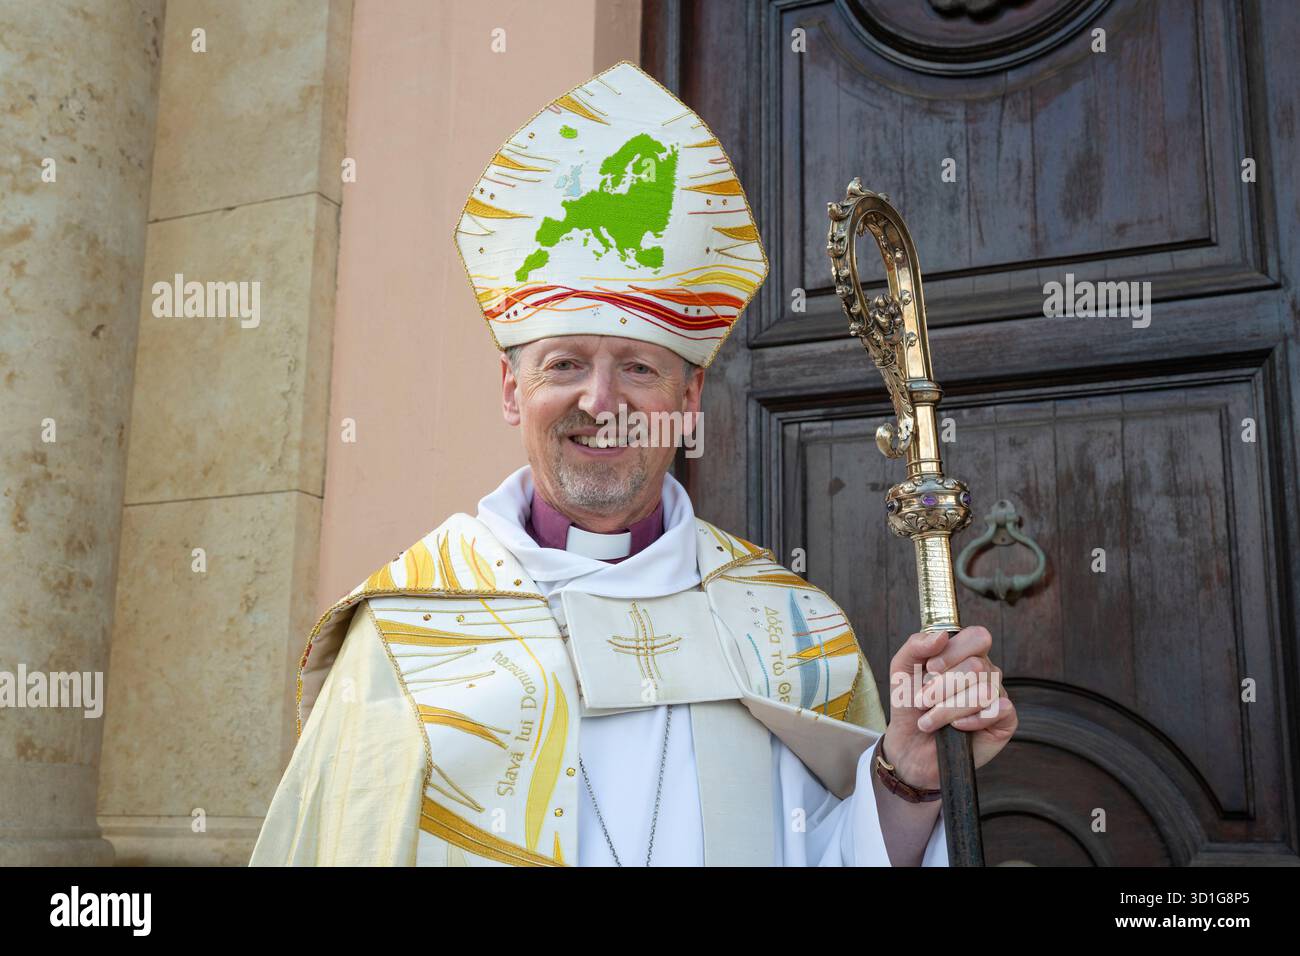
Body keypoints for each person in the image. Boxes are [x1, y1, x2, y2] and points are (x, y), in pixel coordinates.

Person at [250, 60, 1016, 867]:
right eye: (564, 365)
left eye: (639, 369)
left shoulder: (792, 631)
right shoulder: (405, 636)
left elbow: (834, 856)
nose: (601, 401)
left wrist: (907, 779)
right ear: (512, 390)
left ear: (689, 400)